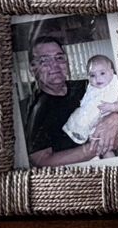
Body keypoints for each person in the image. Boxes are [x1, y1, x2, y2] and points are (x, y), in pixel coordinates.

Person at [22, 36, 113, 168]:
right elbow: (41, 160)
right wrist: (99, 145)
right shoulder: (34, 110)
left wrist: (114, 118)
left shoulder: (89, 85)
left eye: (59, 58)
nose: (55, 66)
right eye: (44, 60)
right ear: (32, 69)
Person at [60, 54, 118, 159]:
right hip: (94, 125)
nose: (98, 78)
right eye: (92, 75)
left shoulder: (115, 85)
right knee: (99, 146)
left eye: (102, 73)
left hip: (112, 123)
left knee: (107, 145)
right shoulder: (92, 88)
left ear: (112, 72)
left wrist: (113, 107)